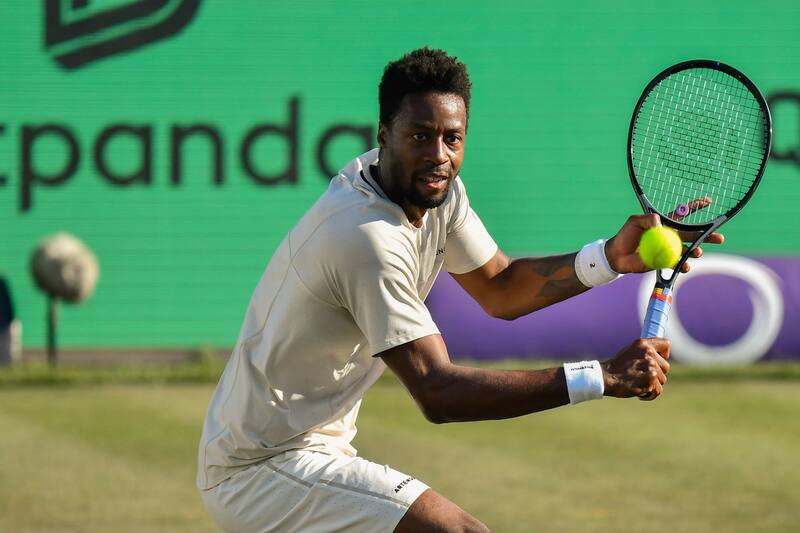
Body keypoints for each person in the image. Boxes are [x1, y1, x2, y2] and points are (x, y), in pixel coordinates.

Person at [197, 47, 723, 533]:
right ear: (384, 133)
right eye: (420, 136)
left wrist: (609, 258)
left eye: (453, 137)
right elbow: (438, 391)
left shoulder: (431, 193)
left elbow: (500, 288)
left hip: (314, 453)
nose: (439, 155)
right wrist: (600, 377)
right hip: (260, 469)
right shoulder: (365, 241)